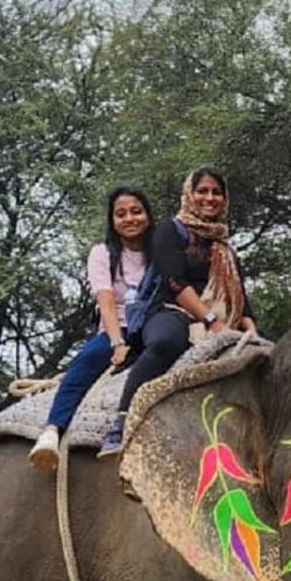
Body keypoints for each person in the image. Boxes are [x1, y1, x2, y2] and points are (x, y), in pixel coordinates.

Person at [97, 166, 256, 458]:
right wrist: (210, 320)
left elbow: (239, 296)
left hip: (223, 319)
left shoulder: (224, 247)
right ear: (189, 194)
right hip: (172, 310)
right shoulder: (170, 231)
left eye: (216, 192)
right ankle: (120, 422)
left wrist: (251, 328)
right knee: (166, 342)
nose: (209, 198)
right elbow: (174, 281)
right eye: (202, 191)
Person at [29, 186, 155, 471]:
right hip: (119, 327)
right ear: (112, 220)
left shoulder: (159, 252)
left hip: (153, 325)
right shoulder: (103, 254)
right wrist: (116, 342)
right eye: (121, 214)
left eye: (136, 211)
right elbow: (107, 303)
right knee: (85, 363)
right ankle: (52, 430)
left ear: (148, 215)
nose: (129, 218)